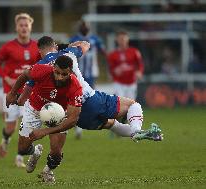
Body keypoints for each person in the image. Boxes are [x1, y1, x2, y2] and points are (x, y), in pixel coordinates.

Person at [12, 36, 163, 183]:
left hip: (64, 111)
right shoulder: (69, 53)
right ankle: (136, 130)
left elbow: (26, 90)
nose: (59, 77)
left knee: (110, 124)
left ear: (40, 51)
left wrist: (17, 98)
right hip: (87, 103)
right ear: (56, 47)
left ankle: (135, 131)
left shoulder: (40, 66)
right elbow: (86, 44)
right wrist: (67, 45)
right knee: (128, 109)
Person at [6, 55, 83, 184]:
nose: (59, 77)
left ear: (70, 72)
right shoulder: (41, 70)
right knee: (23, 149)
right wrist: (12, 93)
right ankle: (36, 152)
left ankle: (48, 171)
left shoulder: (76, 87)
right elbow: (25, 75)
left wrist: (44, 131)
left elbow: (73, 119)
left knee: (57, 153)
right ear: (53, 68)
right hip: (34, 109)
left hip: (59, 115)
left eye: (64, 74)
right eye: (57, 72)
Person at [0, 13, 41, 167]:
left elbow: (42, 66)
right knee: (10, 127)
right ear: (16, 28)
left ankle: (19, 156)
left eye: (26, 25)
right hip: (10, 92)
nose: (24, 28)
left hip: (28, 92)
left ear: (30, 27)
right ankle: (5, 139)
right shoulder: (8, 47)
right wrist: (6, 77)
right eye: (21, 25)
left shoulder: (36, 46)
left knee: (25, 123)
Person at [69, 20, 106, 139]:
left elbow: (103, 51)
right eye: (83, 26)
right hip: (78, 73)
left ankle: (87, 121)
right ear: (80, 28)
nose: (85, 28)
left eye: (86, 26)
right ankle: (78, 126)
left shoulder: (95, 39)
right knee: (77, 98)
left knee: (89, 99)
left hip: (91, 74)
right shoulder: (74, 39)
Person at [107, 30, 144, 100]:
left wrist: (140, 72)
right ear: (117, 40)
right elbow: (111, 68)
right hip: (119, 83)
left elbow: (140, 64)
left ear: (127, 39)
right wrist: (114, 72)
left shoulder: (134, 52)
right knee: (120, 103)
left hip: (131, 82)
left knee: (130, 104)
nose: (122, 41)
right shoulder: (113, 55)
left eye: (124, 39)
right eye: (120, 39)